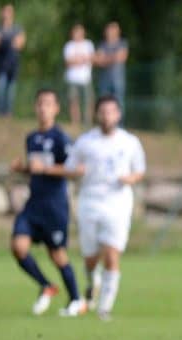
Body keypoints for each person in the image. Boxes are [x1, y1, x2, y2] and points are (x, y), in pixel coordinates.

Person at [64, 95, 146, 320]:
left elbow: (139, 170)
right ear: (96, 114)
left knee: (111, 253)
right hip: (90, 202)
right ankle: (92, 281)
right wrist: (77, 172)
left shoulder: (129, 142)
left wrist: (130, 178)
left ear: (118, 114)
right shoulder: (85, 142)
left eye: (111, 111)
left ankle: (104, 307)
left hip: (117, 204)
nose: (107, 116)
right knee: (90, 258)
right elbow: (70, 168)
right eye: (103, 111)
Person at [9, 89, 83, 316]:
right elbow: (35, 171)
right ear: (35, 107)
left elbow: (75, 170)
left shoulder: (61, 138)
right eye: (40, 103)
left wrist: (47, 169)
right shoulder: (31, 138)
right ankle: (45, 285)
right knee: (18, 247)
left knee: (57, 255)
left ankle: (76, 300)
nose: (43, 108)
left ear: (56, 109)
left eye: (48, 104)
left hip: (54, 206)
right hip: (33, 205)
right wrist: (22, 169)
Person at [0, 4, 24, 116]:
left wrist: (4, 40)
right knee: (0, 89)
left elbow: (20, 44)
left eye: (9, 12)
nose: (7, 14)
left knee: (11, 91)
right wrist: (10, 41)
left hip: (13, 64)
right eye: (5, 11)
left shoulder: (17, 28)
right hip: (1, 64)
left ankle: (8, 113)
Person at [62, 23, 93, 127]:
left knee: (88, 101)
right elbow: (67, 62)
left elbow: (92, 58)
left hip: (85, 78)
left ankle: (87, 122)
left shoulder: (88, 44)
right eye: (75, 32)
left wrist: (76, 60)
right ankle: (75, 123)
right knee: (73, 101)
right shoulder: (68, 45)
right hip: (72, 78)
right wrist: (82, 59)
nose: (77, 34)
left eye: (79, 32)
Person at [94, 21, 128, 112]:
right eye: (108, 30)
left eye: (112, 30)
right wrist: (113, 58)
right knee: (103, 101)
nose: (110, 32)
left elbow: (121, 57)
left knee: (119, 101)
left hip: (118, 79)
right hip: (104, 79)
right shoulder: (102, 44)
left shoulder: (122, 43)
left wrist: (105, 58)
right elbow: (97, 60)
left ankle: (119, 124)